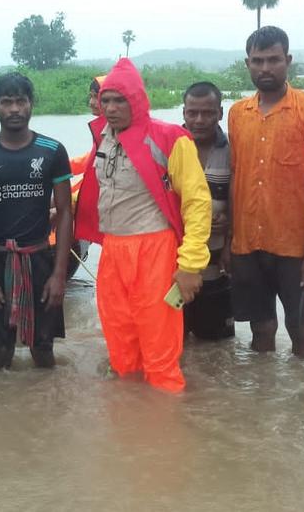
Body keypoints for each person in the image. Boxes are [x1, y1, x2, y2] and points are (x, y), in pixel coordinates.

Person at [75, 58, 210, 392]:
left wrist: (191, 265)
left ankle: (165, 432)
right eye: (105, 100)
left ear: (136, 98)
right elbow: (100, 191)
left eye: (119, 99)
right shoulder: (104, 139)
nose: (110, 108)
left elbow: (196, 202)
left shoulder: (169, 138)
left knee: (160, 353)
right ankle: (131, 429)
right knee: (121, 349)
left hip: (155, 252)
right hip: (112, 254)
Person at [226, 26, 304, 357]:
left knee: (298, 327)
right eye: (257, 61)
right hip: (247, 242)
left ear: (287, 61)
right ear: (247, 63)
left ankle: (302, 401)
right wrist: (231, 241)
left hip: (294, 245)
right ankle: (264, 402)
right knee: (260, 328)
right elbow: (235, 177)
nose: (265, 68)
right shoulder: (237, 113)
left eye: (273, 60)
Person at [0, 72, 73, 370]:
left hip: (39, 259)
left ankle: (47, 410)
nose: (14, 109)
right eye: (6, 102)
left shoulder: (52, 151)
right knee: (0, 351)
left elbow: (64, 212)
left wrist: (59, 273)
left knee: (44, 348)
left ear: (31, 104)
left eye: (20, 101)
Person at [181, 81, 235, 341]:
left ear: (220, 113)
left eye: (208, 113)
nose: (199, 120)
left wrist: (230, 225)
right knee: (175, 341)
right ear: (183, 113)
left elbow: (244, 195)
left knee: (217, 350)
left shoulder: (234, 150)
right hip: (176, 266)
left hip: (217, 265)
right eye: (193, 113)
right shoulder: (170, 147)